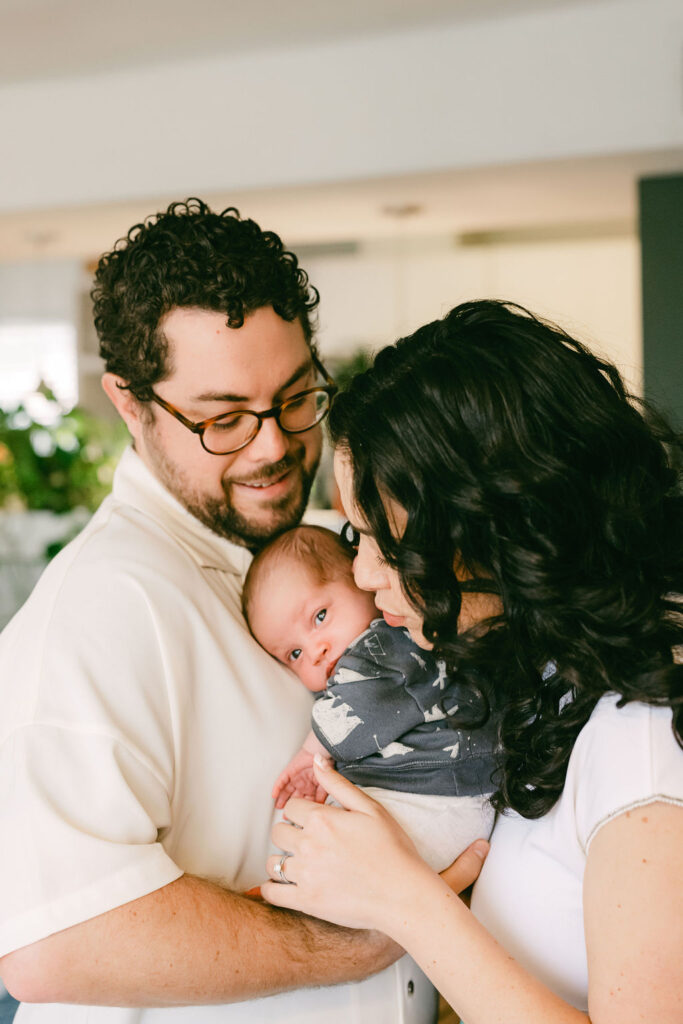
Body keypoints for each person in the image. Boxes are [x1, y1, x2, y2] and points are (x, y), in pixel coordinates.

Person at [0, 200, 489, 1023]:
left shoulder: (341, 539)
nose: (271, 447)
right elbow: (54, 944)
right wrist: (379, 934)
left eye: (296, 398)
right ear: (129, 402)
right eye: (223, 418)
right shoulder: (97, 611)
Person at [261, 300, 683, 1024]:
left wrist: (403, 899)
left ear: (496, 530)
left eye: (385, 544)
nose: (362, 576)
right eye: (350, 535)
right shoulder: (548, 677)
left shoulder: (643, 739)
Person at [243, 524, 496, 870]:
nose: (316, 651)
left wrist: (310, 753)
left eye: (320, 616)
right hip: (424, 795)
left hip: (440, 796)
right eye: (295, 654)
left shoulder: (389, 644)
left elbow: (358, 705)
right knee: (321, 837)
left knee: (338, 850)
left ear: (360, 582)